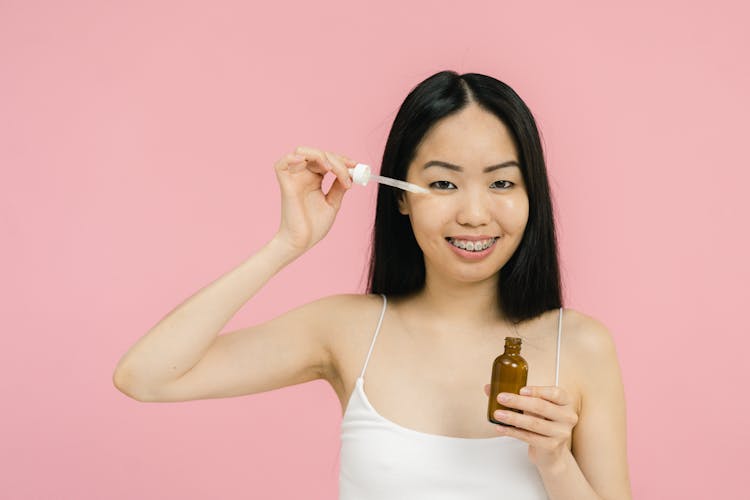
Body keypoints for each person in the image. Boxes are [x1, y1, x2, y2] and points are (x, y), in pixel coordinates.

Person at [113, 70, 631, 499]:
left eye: (501, 182)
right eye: (444, 183)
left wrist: (555, 462)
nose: (475, 214)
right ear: (400, 196)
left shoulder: (580, 346)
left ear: (531, 194)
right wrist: (287, 244)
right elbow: (148, 376)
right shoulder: (347, 329)